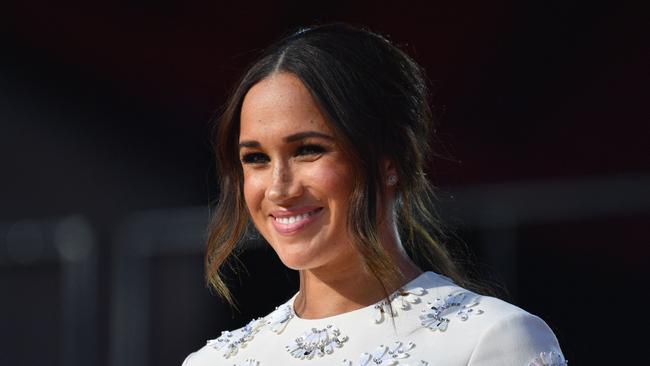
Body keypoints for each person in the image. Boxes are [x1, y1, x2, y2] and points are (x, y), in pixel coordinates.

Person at [183, 23, 565, 366]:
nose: (279, 188)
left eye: (307, 150)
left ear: (392, 161)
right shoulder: (212, 362)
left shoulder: (492, 341)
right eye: (256, 158)